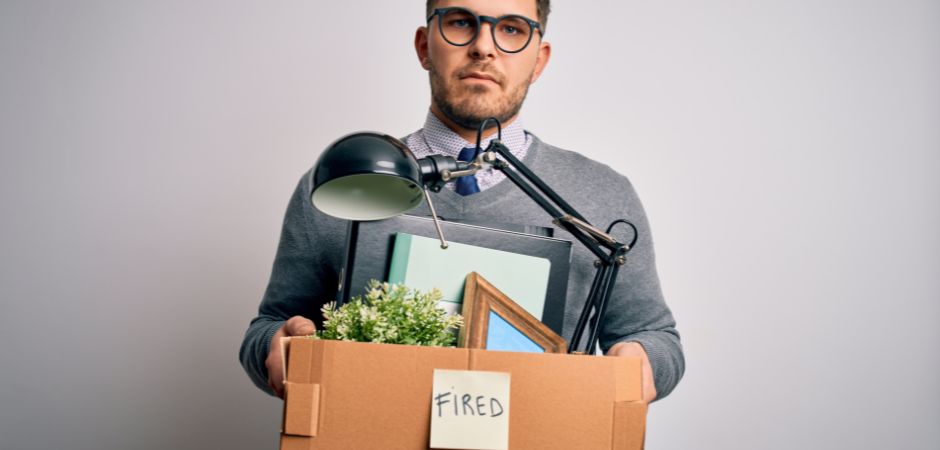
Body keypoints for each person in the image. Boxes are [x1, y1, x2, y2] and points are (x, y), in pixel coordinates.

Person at [240, 0, 684, 404]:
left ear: (539, 60)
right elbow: (268, 328)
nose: (483, 48)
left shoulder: (602, 193)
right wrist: (281, 344)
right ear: (423, 45)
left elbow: (654, 335)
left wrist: (641, 359)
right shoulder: (346, 181)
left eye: (511, 29)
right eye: (460, 23)